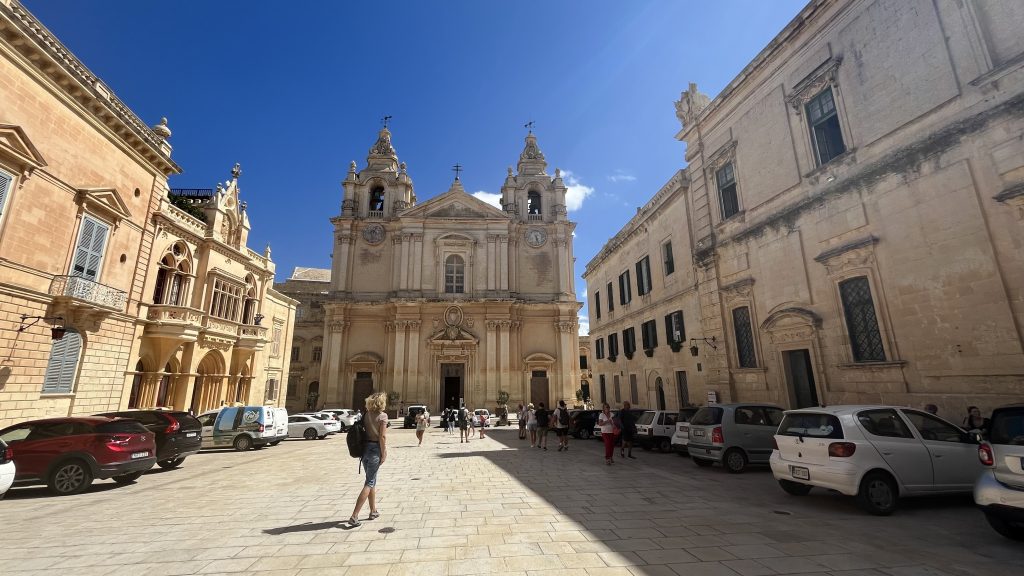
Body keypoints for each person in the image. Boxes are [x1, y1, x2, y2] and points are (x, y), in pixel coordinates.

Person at [348, 391, 388, 527]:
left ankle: (373, 511)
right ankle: (354, 515)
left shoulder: (365, 415)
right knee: (369, 482)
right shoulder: (383, 416)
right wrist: (384, 453)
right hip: (375, 450)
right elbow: (382, 437)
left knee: (371, 480)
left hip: (364, 451)